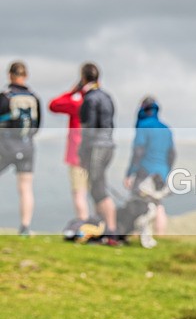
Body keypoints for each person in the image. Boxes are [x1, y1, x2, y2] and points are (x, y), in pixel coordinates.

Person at [77, 62, 118, 239]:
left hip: (96, 147)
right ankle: (105, 228)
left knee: (98, 187)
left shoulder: (90, 98)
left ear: (83, 77)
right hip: (108, 145)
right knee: (98, 185)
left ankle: (110, 229)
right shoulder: (107, 97)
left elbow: (89, 128)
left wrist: (82, 150)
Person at [124, 96, 175, 236]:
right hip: (162, 172)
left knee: (139, 202)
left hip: (144, 171)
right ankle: (160, 235)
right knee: (158, 204)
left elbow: (138, 151)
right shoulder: (166, 129)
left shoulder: (143, 126)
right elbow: (171, 154)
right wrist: (166, 171)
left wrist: (129, 173)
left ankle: (137, 235)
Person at [0, 61, 41, 235]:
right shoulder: (34, 97)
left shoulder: (5, 96)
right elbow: (37, 125)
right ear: (26, 75)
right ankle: (25, 227)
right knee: (25, 187)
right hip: (27, 147)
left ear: (10, 75)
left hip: (5, 146)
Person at [49, 80, 93, 221]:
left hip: (77, 155)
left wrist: (72, 91)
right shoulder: (96, 104)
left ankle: (83, 225)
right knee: (96, 194)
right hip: (95, 154)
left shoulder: (77, 104)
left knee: (79, 193)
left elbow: (53, 105)